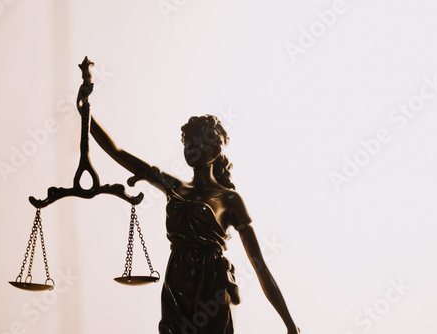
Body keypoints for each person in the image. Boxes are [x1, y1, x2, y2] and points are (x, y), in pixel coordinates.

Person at [86, 110, 300, 333]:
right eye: (188, 143)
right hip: (176, 281)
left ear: (216, 149)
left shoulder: (229, 199)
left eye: (198, 143)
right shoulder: (173, 186)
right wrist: (86, 114)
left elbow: (259, 266)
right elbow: (116, 151)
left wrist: (289, 323)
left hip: (211, 286)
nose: (190, 148)